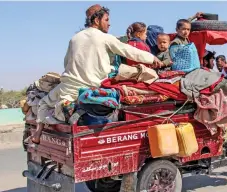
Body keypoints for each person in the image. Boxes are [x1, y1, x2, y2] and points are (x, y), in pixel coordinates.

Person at [30, 4, 163, 144]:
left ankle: (38, 133)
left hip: (68, 87)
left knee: (44, 103)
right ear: (96, 20)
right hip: (92, 87)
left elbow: (66, 63)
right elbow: (128, 50)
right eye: (106, 19)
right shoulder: (104, 37)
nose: (109, 23)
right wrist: (152, 58)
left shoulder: (74, 38)